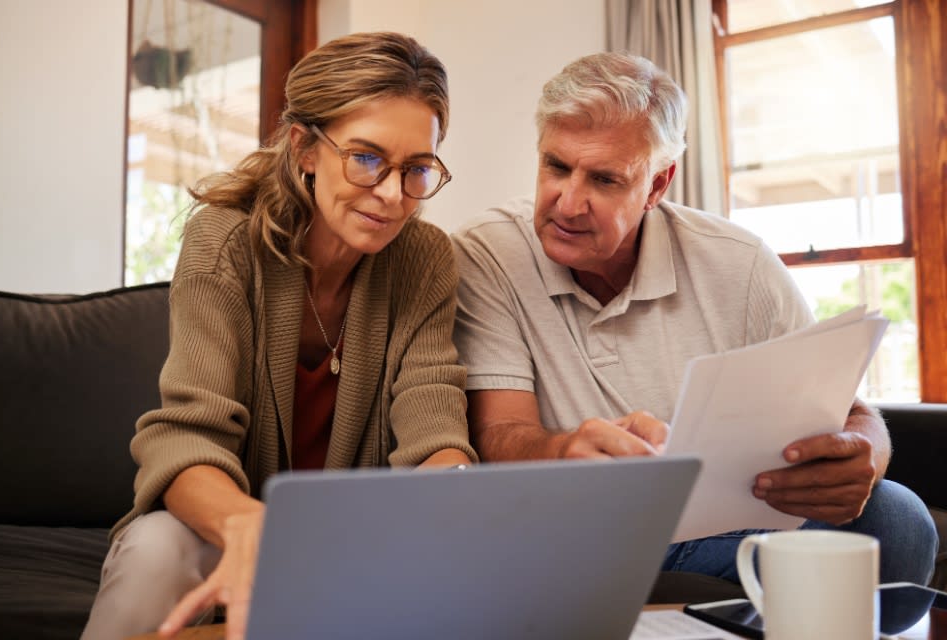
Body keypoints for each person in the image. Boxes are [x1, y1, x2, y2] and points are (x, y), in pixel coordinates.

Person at [452, 52, 936, 588]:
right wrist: (564, 452)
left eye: (606, 180)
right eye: (557, 166)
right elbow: (499, 432)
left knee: (899, 519)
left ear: (658, 186)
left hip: (735, 526)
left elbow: (850, 413)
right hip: (585, 535)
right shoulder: (488, 253)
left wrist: (865, 456)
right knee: (792, 573)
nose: (568, 204)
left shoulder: (739, 261)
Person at [81, 32, 477, 640]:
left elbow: (434, 430)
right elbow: (188, 439)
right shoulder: (225, 241)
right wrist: (249, 527)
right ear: (305, 148)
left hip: (356, 541)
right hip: (222, 527)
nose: (394, 196)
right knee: (157, 547)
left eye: (417, 169)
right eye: (366, 158)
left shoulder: (425, 258)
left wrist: (447, 490)